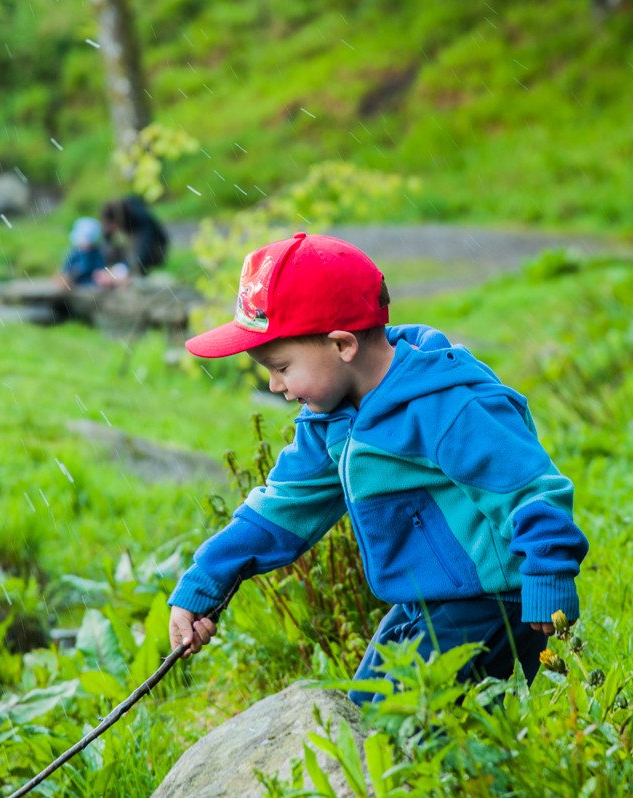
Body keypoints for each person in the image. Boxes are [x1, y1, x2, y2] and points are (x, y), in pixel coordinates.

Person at [167, 233, 589, 704]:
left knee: (411, 726)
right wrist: (207, 579)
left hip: (491, 603)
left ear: (342, 344)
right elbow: (281, 509)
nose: (274, 385)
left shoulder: (446, 406)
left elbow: (531, 491)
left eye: (281, 367)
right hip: (421, 603)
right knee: (366, 713)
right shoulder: (330, 422)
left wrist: (547, 575)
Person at [100, 195, 169, 276]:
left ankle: (138, 273)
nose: (111, 230)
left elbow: (143, 250)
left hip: (155, 250)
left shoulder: (141, 219)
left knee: (136, 255)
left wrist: (123, 269)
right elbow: (106, 242)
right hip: (135, 251)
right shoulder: (114, 216)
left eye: (111, 225)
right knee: (110, 250)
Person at [54, 217, 128, 290]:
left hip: (92, 283)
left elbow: (99, 267)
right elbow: (65, 269)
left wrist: (100, 275)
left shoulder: (96, 253)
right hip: (75, 282)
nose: (85, 246)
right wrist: (71, 273)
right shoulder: (74, 253)